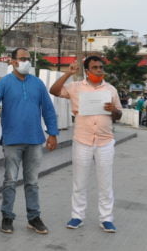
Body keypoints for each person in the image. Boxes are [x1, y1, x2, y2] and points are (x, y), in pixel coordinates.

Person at [0, 48, 58, 235]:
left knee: (32, 182)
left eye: (28, 59)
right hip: (12, 140)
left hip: (34, 140)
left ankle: (34, 217)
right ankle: (7, 216)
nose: (26, 62)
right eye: (22, 59)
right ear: (13, 61)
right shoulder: (5, 83)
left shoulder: (38, 84)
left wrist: (53, 133)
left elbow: (48, 109)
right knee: (10, 181)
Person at [49, 56, 122, 233]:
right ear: (87, 71)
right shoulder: (76, 87)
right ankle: (77, 216)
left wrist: (113, 110)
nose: (99, 70)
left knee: (105, 182)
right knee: (79, 181)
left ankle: (106, 219)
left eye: (101, 67)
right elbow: (54, 90)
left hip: (105, 142)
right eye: (95, 67)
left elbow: (118, 115)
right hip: (82, 141)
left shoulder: (110, 89)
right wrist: (68, 73)